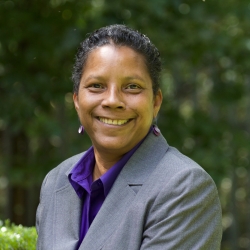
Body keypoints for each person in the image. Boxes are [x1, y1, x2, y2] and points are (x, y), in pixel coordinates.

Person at [36, 24, 222, 250]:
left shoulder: (184, 187)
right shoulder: (56, 182)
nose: (112, 100)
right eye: (96, 86)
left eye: (132, 87)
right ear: (76, 100)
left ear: (155, 102)